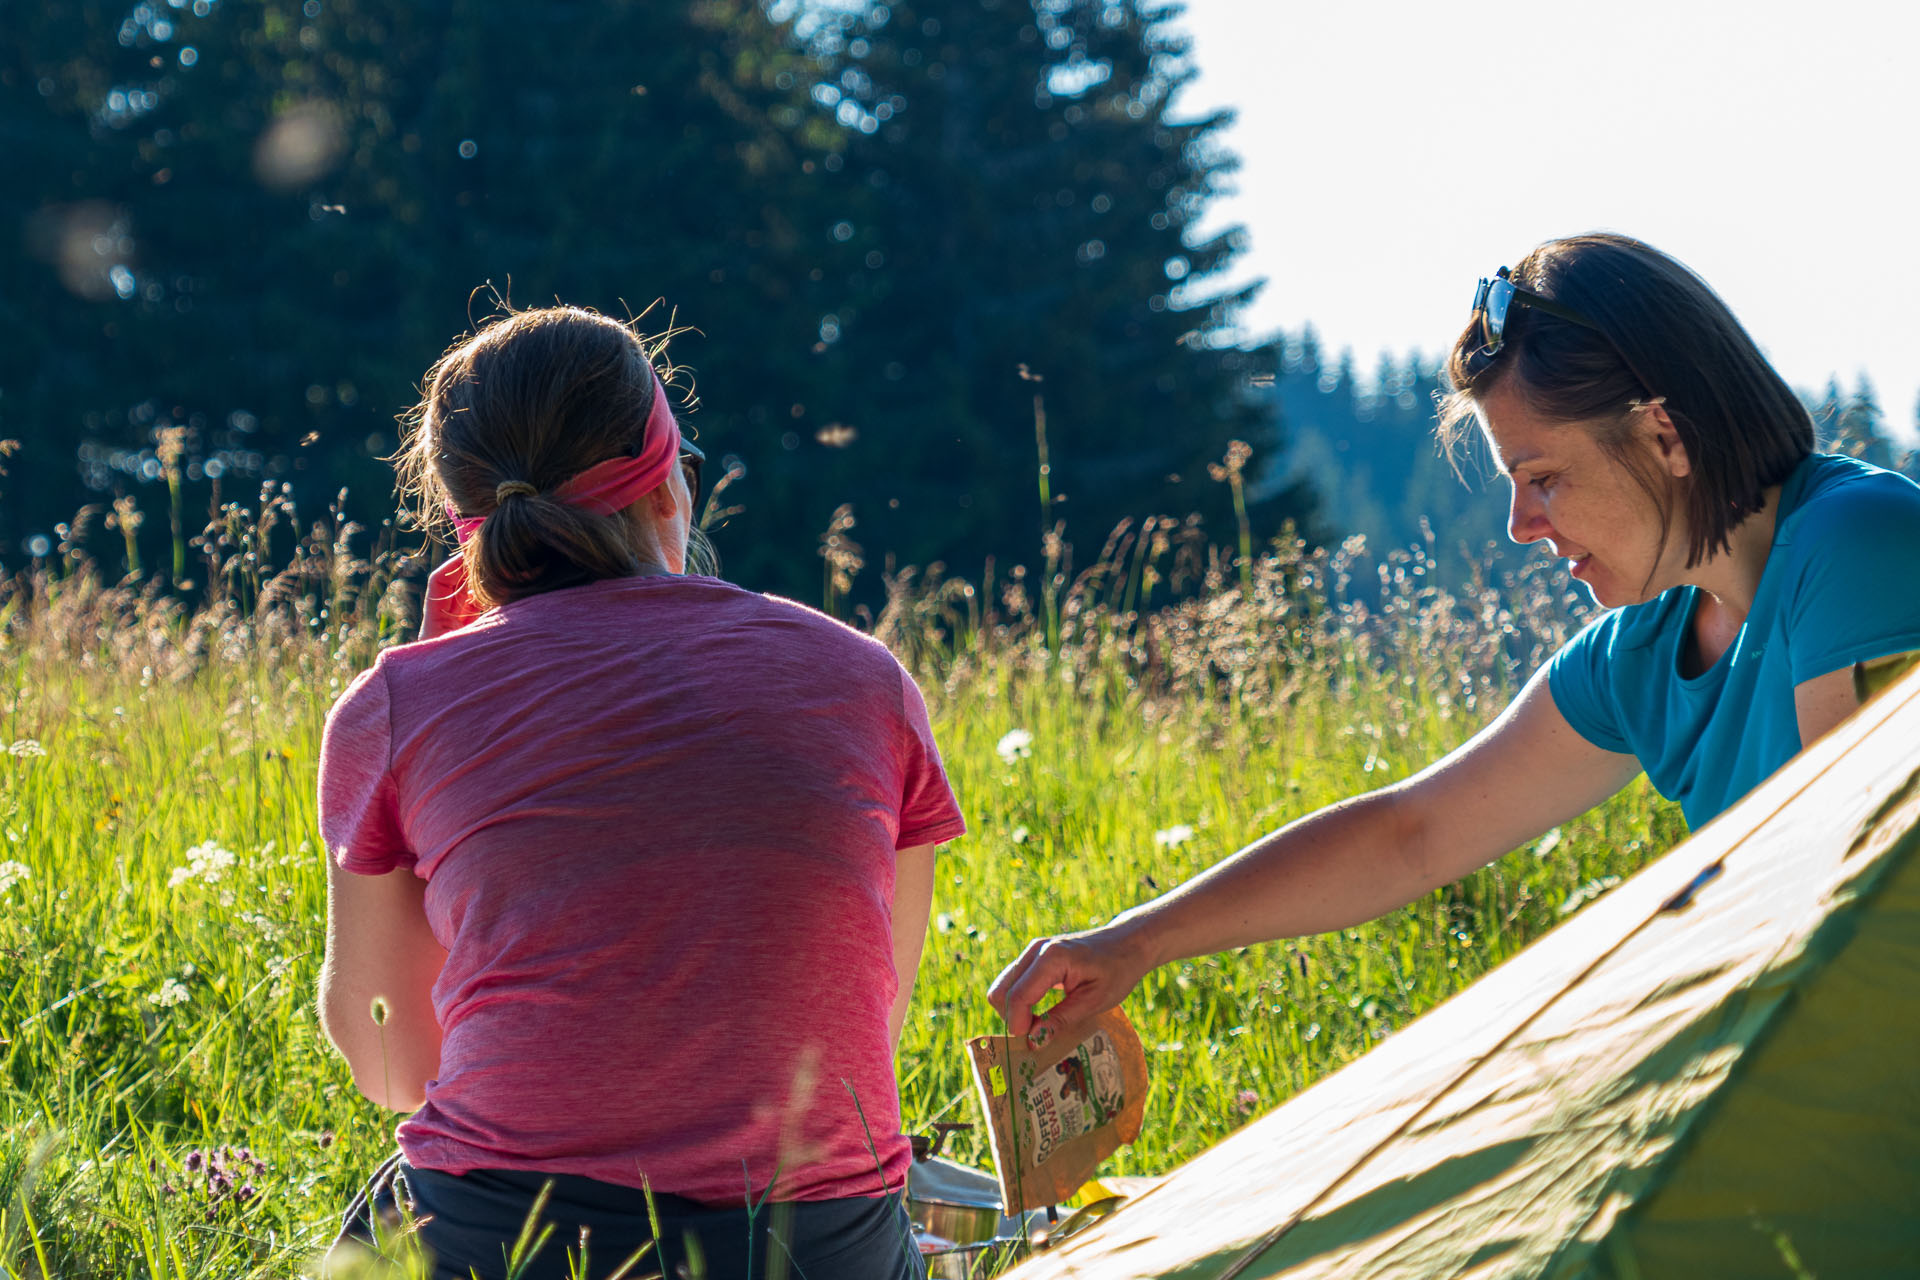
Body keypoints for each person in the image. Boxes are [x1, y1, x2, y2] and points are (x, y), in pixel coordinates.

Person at [990, 232, 1920, 1048]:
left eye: (1544, 475)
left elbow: (1853, 906)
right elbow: (1416, 833)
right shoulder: (1645, 648)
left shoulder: (1859, 547)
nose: (1520, 523)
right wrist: (1139, 940)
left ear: (1665, 435)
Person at [316, 305, 965, 1279]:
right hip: (816, 1249)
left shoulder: (398, 705)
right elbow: (870, 1021)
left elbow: (394, 1063)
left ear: (465, 519)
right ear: (671, 482)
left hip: (515, 1243)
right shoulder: (866, 681)